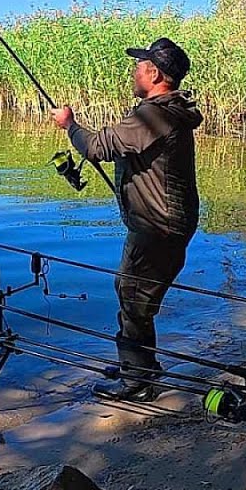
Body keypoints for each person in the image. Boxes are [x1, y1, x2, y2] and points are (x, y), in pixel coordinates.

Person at [50, 37, 202, 402]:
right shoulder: (168, 112)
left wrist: (69, 125)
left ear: (153, 72)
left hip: (157, 226)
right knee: (134, 294)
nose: (134, 71)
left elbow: (98, 146)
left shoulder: (153, 115)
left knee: (134, 297)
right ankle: (141, 368)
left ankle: (138, 383)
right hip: (166, 224)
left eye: (139, 65)